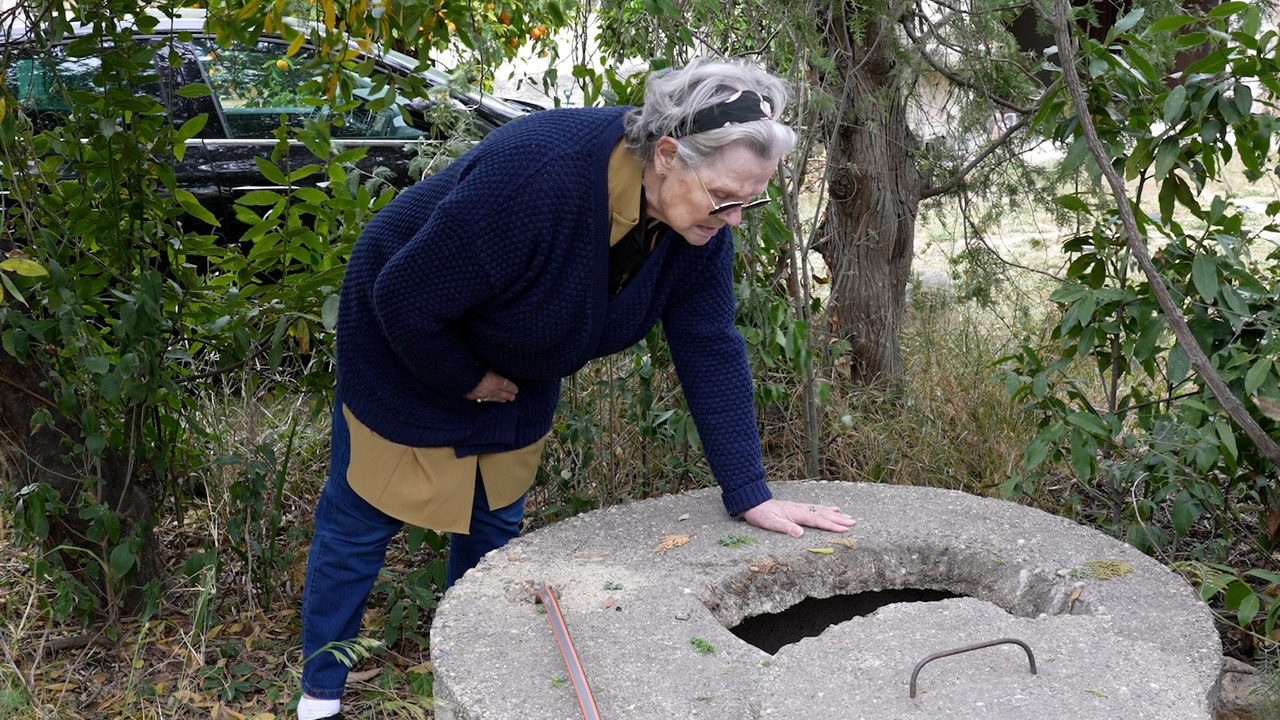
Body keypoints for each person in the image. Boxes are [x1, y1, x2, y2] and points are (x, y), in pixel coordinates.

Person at [295, 58, 856, 720]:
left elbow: (709, 345)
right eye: (725, 197)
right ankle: (319, 699)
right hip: (408, 340)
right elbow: (405, 294)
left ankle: (479, 669)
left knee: (494, 516)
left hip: (521, 359)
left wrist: (749, 492)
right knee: (364, 518)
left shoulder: (698, 228)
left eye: (749, 200)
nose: (734, 218)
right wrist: (466, 378)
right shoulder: (539, 173)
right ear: (669, 155)